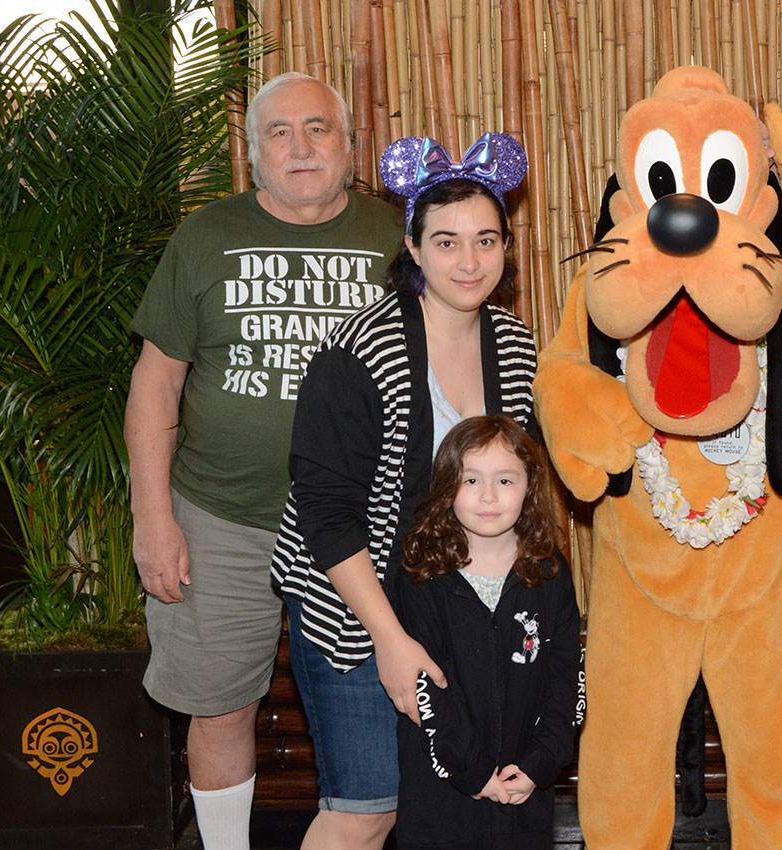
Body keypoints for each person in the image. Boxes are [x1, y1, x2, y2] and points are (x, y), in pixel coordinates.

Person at [125, 72, 401, 850]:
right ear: (253, 153)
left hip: (355, 525)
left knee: (372, 703)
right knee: (219, 706)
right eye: (279, 132)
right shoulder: (205, 236)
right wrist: (154, 518)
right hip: (220, 516)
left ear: (350, 147)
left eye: (318, 128)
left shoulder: (398, 236)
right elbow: (155, 382)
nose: (300, 146)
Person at [268, 131, 536, 850]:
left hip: (450, 604)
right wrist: (388, 639)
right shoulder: (358, 350)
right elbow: (326, 513)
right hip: (350, 605)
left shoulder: (516, 347)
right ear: (412, 249)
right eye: (446, 242)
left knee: (438, 806)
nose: (470, 260)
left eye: (487, 239)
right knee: (365, 810)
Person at [391, 415, 581, 850]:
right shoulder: (422, 575)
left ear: (529, 486)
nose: (489, 496)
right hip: (441, 793)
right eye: (471, 480)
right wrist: (473, 772)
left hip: (524, 789)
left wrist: (539, 763)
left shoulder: (549, 572)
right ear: (446, 487)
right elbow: (426, 687)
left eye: (506, 481)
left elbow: (567, 678)